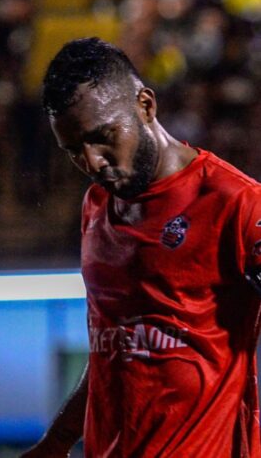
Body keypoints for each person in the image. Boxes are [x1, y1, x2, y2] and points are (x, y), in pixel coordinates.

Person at [22, 37, 261, 457]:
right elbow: (114, 348)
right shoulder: (96, 205)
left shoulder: (237, 204)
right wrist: (55, 443)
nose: (92, 162)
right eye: (74, 150)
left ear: (146, 105)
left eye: (102, 136)